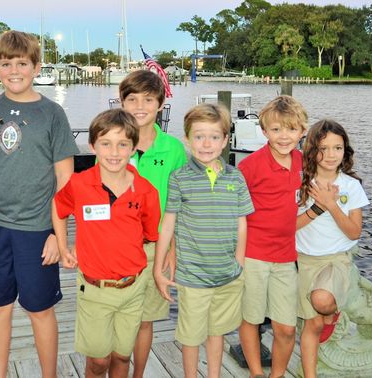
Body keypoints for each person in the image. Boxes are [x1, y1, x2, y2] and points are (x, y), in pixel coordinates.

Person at [0, 30, 79, 378]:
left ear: (37, 66)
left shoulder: (52, 113)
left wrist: (58, 235)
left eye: (22, 63)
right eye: (6, 63)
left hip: (37, 229)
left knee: (40, 309)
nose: (15, 70)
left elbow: (65, 180)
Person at [52, 109, 161, 378]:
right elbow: (58, 207)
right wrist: (64, 246)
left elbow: (149, 234)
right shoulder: (79, 184)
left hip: (133, 288)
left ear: (133, 148)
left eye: (123, 144)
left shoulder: (147, 191)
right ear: (93, 146)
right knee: (99, 362)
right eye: (106, 143)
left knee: (122, 357)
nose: (114, 152)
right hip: (95, 290)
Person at [154, 103, 253, 378]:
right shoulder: (179, 178)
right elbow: (169, 224)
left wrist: (239, 262)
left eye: (213, 137)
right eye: (198, 136)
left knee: (217, 331)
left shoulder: (236, 177)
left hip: (227, 273)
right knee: (190, 335)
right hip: (193, 275)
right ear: (187, 140)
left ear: (225, 141)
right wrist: (158, 267)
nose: (206, 143)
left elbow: (241, 222)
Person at [118, 70, 188, 378]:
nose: (140, 106)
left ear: (160, 104)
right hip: (116, 247)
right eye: (131, 99)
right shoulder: (113, 143)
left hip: (154, 249)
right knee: (116, 320)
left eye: (148, 99)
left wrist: (172, 248)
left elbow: (180, 203)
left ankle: (139, 374)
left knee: (145, 320)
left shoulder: (173, 149)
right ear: (121, 103)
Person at [237, 95, 307, 378]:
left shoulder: (306, 163)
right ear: (264, 131)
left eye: (291, 129)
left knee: (286, 327)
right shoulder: (250, 166)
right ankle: (256, 372)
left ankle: (277, 374)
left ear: (302, 131)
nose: (284, 136)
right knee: (251, 318)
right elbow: (233, 213)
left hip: (286, 257)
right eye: (276, 129)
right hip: (253, 255)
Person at [294, 120, 369, 377]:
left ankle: (332, 313)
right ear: (311, 150)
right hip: (304, 260)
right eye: (323, 148)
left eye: (337, 148)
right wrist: (317, 208)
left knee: (322, 301)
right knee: (311, 325)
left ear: (345, 151)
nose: (330, 155)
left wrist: (331, 205)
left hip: (336, 259)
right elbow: (289, 226)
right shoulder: (300, 183)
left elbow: (354, 232)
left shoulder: (351, 186)